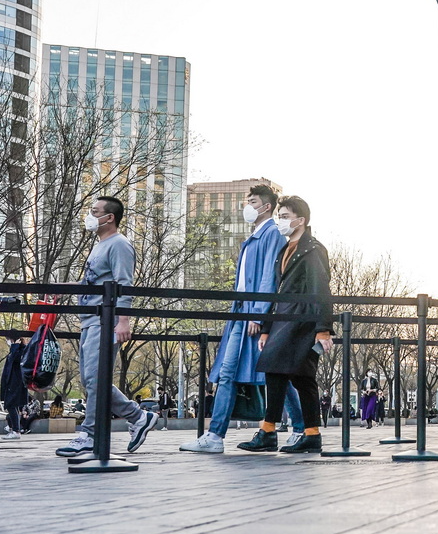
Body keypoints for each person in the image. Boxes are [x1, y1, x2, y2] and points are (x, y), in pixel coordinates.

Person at [181, 184, 302, 453]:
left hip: (253, 316)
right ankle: (216, 436)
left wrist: (256, 314)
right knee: (234, 373)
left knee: (276, 374)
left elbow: (267, 278)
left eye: (252, 201)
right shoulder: (254, 236)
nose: (246, 206)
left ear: (266, 206)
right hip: (242, 314)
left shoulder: (271, 234)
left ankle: (302, 427)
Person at [56, 196, 158, 457]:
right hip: (90, 319)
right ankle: (138, 417)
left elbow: (124, 284)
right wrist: (59, 290)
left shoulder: (119, 245)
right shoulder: (100, 245)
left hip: (106, 320)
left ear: (109, 217)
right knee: (91, 379)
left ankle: (90, 434)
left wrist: (123, 320)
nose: (89, 216)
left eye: (94, 211)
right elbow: (93, 282)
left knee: (95, 379)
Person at [238, 196, 333, 454]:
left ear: (300, 220)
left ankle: (270, 431)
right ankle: (308, 434)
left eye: (285, 216)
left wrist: (323, 329)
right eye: (280, 215)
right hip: (283, 319)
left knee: (282, 372)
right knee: (300, 378)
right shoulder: (285, 249)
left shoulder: (313, 250)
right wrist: (267, 328)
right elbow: (276, 292)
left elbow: (320, 289)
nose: (280, 220)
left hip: (301, 321)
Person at [0, 336, 29, 439]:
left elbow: (14, 360)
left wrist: (15, 346)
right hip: (12, 382)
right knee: (13, 405)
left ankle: (16, 430)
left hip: (15, 382)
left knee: (11, 405)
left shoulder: (19, 351)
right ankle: (15, 429)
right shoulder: (18, 351)